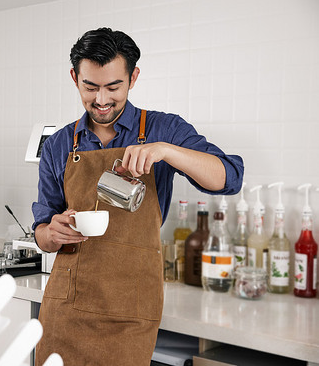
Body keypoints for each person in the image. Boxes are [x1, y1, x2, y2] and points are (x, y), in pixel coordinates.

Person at [31, 27, 244, 365]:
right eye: (90, 87)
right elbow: (42, 229)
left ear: (133, 78)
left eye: (113, 87)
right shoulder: (59, 144)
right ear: (75, 78)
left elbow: (229, 177)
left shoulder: (165, 129)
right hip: (65, 307)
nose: (101, 100)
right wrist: (50, 233)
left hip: (129, 312)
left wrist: (166, 151)